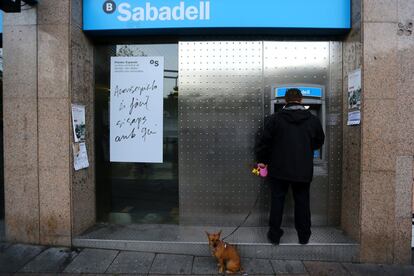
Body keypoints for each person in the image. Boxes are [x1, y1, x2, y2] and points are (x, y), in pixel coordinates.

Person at [255, 88, 325, 245]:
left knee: (277, 201)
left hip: (279, 169)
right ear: (301, 100)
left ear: (285, 101)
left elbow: (264, 143)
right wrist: (305, 148)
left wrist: (262, 160)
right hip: (303, 169)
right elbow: (319, 141)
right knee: (302, 202)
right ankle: (304, 236)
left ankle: (274, 236)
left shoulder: (275, 119)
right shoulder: (313, 120)